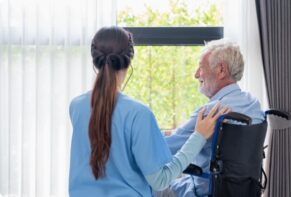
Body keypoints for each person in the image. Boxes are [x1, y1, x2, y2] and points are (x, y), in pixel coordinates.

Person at [68, 26, 229, 197]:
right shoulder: (139, 113)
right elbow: (161, 180)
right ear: (130, 60)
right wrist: (199, 136)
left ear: (95, 59)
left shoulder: (76, 106)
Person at [155, 39, 265, 197]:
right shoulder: (254, 105)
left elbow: (162, 149)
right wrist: (176, 133)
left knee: (148, 185)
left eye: (201, 67)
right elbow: (184, 136)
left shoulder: (211, 112)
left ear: (221, 70)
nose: (196, 74)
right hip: (240, 191)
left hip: (199, 192)